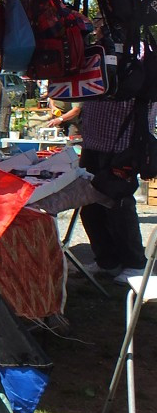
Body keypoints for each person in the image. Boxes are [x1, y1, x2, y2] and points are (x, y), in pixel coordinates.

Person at [79, 98, 151, 280]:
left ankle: (134, 263)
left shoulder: (142, 69)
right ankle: (107, 260)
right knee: (89, 205)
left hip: (121, 145)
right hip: (93, 143)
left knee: (119, 206)